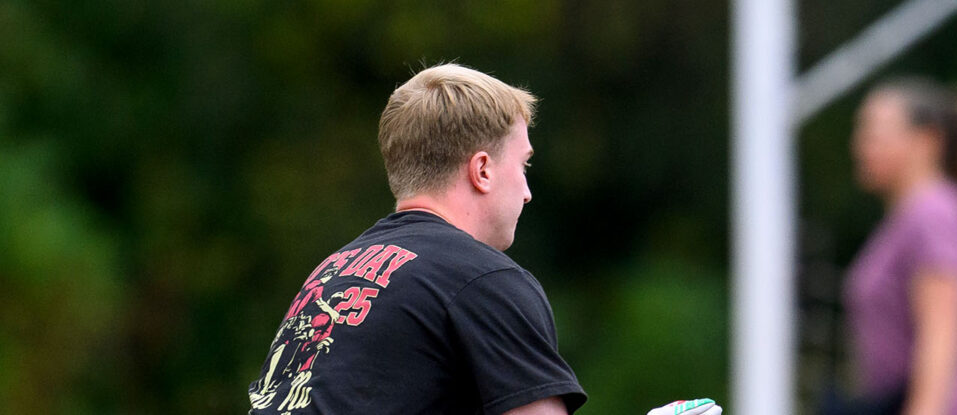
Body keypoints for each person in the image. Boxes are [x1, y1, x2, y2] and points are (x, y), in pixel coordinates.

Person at [244, 64, 720, 415]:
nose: (529, 192)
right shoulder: (481, 278)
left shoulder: (330, 273)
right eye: (524, 164)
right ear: (483, 169)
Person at [841, 77, 957, 414]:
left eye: (875, 134)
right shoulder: (907, 216)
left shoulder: (934, 211)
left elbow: (941, 343)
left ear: (928, 140)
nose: (860, 146)